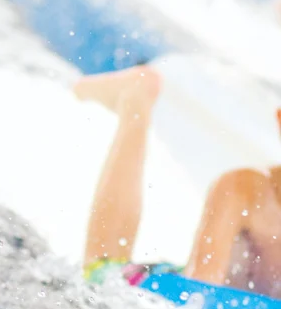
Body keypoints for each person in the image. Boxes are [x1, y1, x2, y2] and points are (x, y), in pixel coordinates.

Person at [76, 65, 281, 296]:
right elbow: (194, 298)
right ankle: (134, 102)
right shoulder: (243, 192)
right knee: (101, 273)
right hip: (166, 290)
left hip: (215, 294)